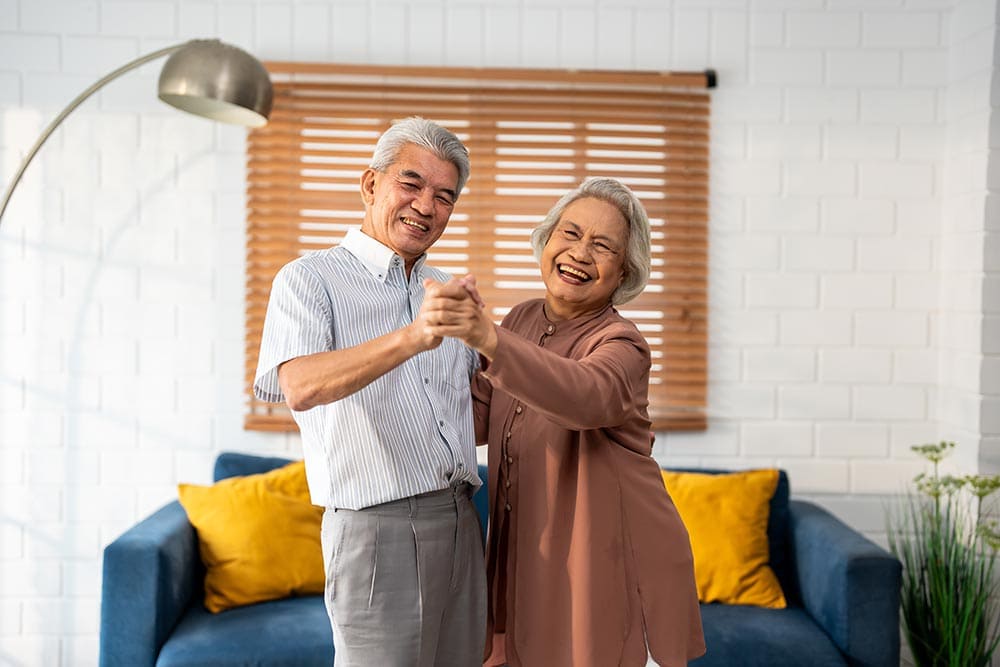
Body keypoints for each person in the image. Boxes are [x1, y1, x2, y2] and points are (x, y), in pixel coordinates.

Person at [422, 177, 706, 667]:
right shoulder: (523, 319)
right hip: (530, 552)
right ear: (545, 241)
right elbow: (477, 418)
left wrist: (487, 338)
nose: (579, 253)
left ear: (623, 272)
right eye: (569, 234)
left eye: (602, 246)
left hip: (612, 560)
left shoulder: (624, 345)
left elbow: (584, 395)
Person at [253, 116, 486, 667]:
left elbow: (475, 412)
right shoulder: (309, 279)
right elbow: (301, 386)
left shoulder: (445, 292)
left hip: (461, 520)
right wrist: (414, 336)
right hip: (377, 528)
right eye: (412, 184)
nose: (426, 207)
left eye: (445, 196)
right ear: (370, 184)